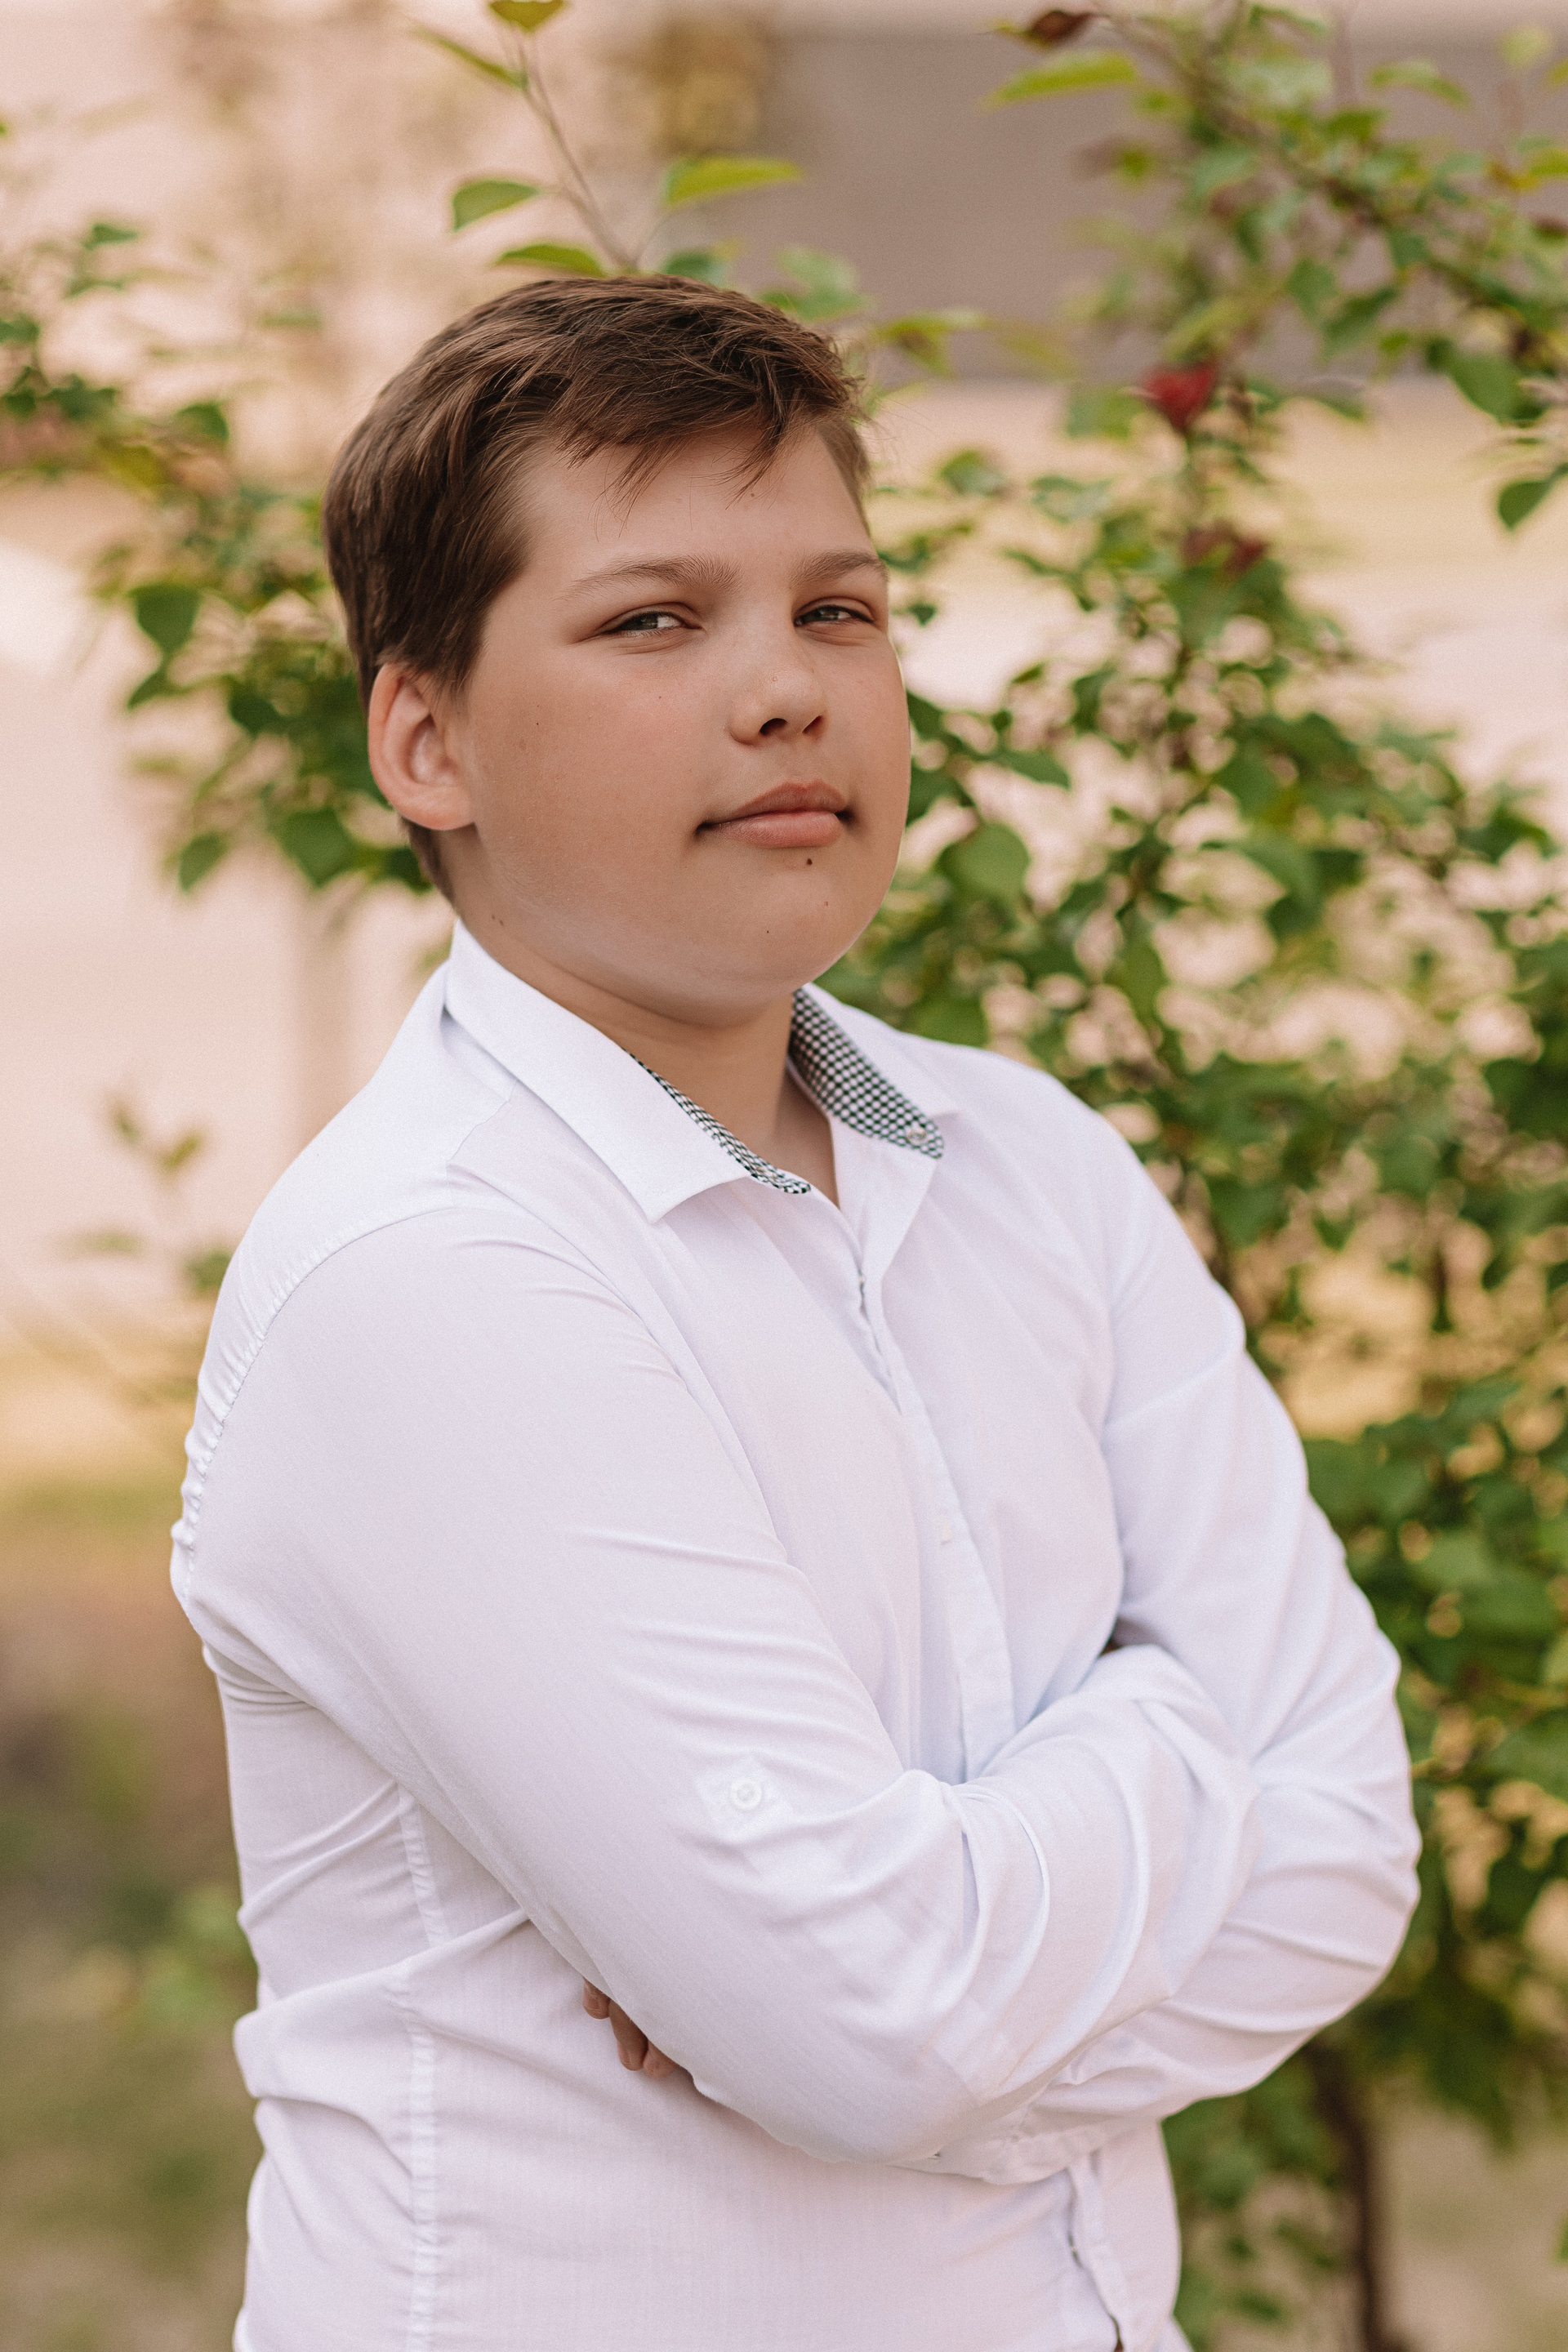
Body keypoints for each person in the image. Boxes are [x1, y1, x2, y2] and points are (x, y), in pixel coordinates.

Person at [172, 276, 1419, 2352]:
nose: (785, 691)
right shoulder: (429, 1272)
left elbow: (1350, 1858)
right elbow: (876, 2021)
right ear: (427, 740)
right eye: (655, 621)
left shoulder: (1028, 1163)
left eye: (839, 610)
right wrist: (1190, 1739)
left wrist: (928, 2023)